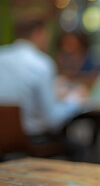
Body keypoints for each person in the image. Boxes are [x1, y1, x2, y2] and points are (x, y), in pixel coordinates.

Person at [0, 18, 87, 159]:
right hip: (32, 140)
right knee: (78, 148)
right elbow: (53, 121)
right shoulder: (41, 63)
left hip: (3, 141)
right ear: (38, 33)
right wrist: (74, 101)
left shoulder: (2, 56)